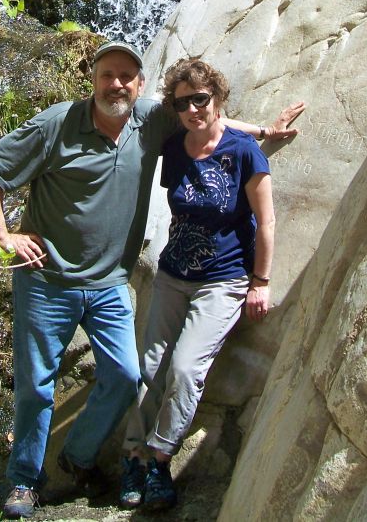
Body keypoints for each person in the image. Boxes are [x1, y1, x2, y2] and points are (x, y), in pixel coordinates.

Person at [0, 41, 304, 519]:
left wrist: (264, 131)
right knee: (35, 386)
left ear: (140, 85)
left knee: (127, 376)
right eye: (108, 75)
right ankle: (25, 482)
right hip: (47, 280)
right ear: (93, 79)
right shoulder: (57, 123)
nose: (117, 84)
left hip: (110, 282)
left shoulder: (149, 120)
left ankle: (79, 457)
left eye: (127, 76)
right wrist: (3, 234)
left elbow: (209, 121)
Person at [119, 58, 280, 512]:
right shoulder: (175, 148)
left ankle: (159, 458)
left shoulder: (244, 152)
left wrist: (261, 281)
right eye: (183, 102)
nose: (193, 109)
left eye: (201, 99)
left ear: (218, 99)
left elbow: (266, 220)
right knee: (149, 367)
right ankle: (133, 454)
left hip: (224, 281)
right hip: (173, 275)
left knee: (186, 369)